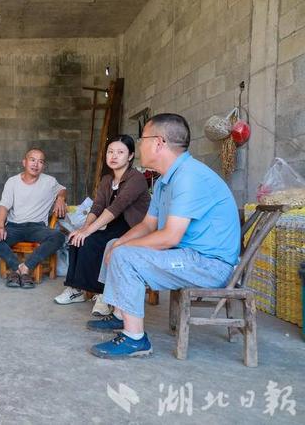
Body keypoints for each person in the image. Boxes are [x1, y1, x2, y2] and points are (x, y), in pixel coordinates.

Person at [87, 113, 240, 359]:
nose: (139, 145)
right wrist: (119, 245)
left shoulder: (189, 176)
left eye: (142, 139)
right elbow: (148, 225)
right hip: (187, 255)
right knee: (114, 244)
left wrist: (124, 250)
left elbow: (169, 237)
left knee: (125, 254)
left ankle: (135, 339)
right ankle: (119, 314)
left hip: (209, 264)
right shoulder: (164, 181)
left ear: (158, 143)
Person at [53, 135, 150, 314]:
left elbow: (116, 207)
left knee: (96, 243)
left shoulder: (136, 178)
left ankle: (102, 294)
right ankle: (77, 289)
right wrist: (83, 229)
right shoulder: (107, 180)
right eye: (110, 152)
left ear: (130, 156)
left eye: (120, 152)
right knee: (76, 238)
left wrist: (89, 231)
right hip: (113, 225)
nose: (114, 156)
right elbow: (97, 207)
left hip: (134, 228)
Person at [0, 148, 67, 289]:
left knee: (58, 237)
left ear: (43, 166)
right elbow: (4, 206)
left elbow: (62, 189)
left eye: (40, 161)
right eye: (32, 160)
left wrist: (60, 197)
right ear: (24, 162)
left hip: (37, 227)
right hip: (14, 226)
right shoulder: (12, 182)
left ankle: (25, 268)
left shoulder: (49, 181)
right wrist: (0, 225)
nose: (36, 164)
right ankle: (19, 268)